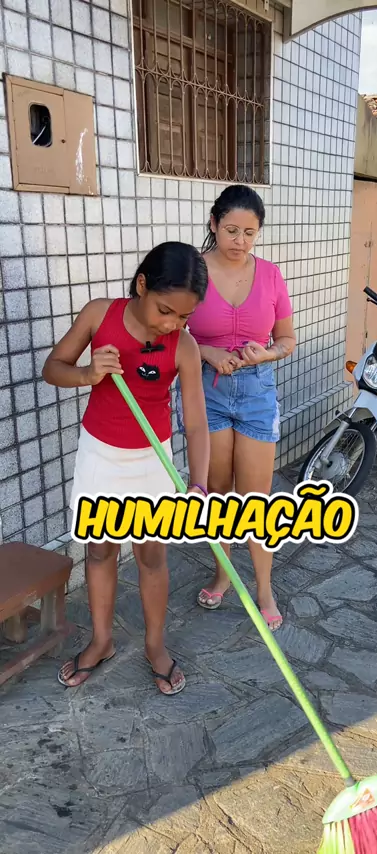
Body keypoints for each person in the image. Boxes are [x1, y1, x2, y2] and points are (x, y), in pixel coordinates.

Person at [42, 242, 210, 694]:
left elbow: (196, 423)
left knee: (151, 556)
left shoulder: (185, 346)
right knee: (100, 551)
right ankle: (102, 641)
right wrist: (87, 374)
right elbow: (52, 368)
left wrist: (198, 483)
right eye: (165, 310)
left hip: (153, 461)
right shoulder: (100, 315)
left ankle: (155, 645)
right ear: (141, 285)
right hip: (100, 455)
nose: (171, 324)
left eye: (184, 317)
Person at [175, 185, 296, 631]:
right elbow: (170, 329)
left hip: (257, 392)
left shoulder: (271, 275)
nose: (239, 241)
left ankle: (264, 588)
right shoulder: (192, 271)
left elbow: (287, 339)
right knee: (219, 494)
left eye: (249, 232)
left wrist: (266, 354)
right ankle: (223, 574)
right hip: (206, 391)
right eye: (230, 230)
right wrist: (205, 351)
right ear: (213, 223)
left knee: (255, 499)